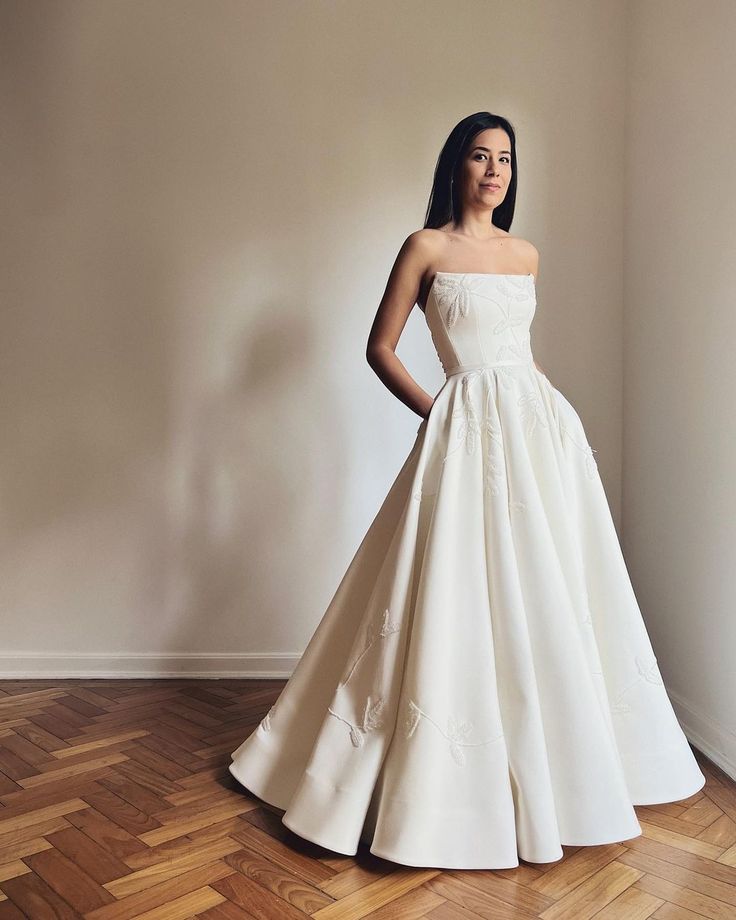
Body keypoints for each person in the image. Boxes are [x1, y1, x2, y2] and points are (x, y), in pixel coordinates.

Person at [229, 111, 705, 870]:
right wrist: (439, 412)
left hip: (538, 431)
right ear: (456, 166)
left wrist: (563, 429)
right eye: (480, 157)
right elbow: (379, 348)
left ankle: (557, 769)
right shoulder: (425, 247)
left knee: (548, 587)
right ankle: (424, 781)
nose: (493, 170)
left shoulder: (525, 255)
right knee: (453, 587)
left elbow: (522, 358)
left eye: (505, 159)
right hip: (465, 432)